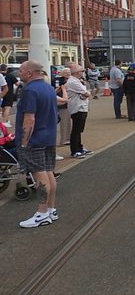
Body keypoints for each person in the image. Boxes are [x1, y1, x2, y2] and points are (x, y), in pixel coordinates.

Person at [15, 60, 60, 228]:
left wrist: (25, 141)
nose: (18, 73)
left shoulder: (30, 90)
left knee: (40, 176)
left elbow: (29, 118)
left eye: (20, 70)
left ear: (29, 73)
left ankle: (41, 213)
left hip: (34, 139)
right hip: (48, 137)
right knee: (48, 173)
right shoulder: (48, 88)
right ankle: (50, 209)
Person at [66, 64, 93, 158]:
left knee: (79, 130)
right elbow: (86, 93)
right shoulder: (73, 82)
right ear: (77, 72)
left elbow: (85, 93)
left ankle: (79, 147)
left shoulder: (78, 81)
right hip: (77, 108)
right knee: (76, 130)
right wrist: (87, 93)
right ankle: (75, 150)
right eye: (82, 71)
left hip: (81, 107)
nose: (83, 72)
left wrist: (86, 94)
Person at [55, 68, 72, 149]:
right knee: (64, 122)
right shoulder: (59, 81)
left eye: (69, 72)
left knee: (68, 122)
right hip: (62, 104)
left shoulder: (70, 80)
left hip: (68, 103)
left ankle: (68, 138)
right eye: (66, 72)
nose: (68, 73)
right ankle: (64, 140)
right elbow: (56, 91)